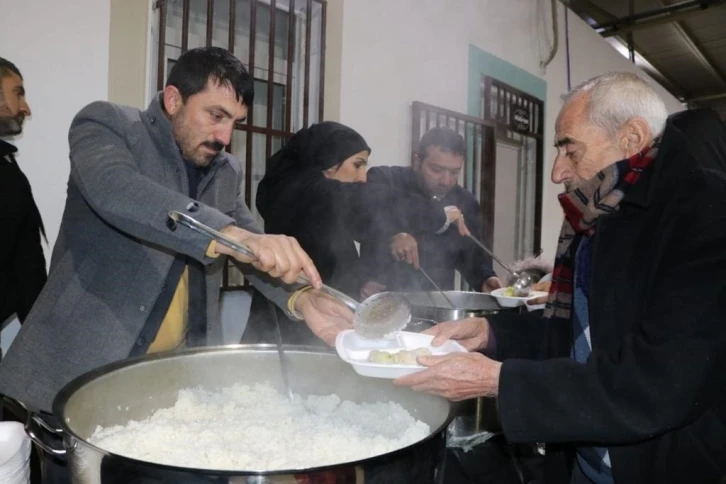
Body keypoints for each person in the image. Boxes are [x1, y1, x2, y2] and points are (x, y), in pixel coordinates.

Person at [395, 72, 726, 483]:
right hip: (580, 459)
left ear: (631, 138)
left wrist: (499, 381)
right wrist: (491, 334)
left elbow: (655, 386)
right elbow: (577, 333)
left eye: (570, 149)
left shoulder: (706, 216)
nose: (556, 172)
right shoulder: (599, 214)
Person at [0, 47, 353, 424]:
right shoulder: (108, 124)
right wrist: (228, 234)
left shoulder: (226, 169)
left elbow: (250, 245)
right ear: (173, 99)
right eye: (216, 115)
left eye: (236, 122)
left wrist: (301, 296)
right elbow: (115, 189)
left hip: (177, 387)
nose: (225, 136)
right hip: (77, 376)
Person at [248, 121, 468, 344]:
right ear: (329, 163)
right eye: (357, 165)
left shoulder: (319, 197)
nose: (363, 177)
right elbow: (373, 204)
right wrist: (440, 215)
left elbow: (354, 235)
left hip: (320, 318)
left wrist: (365, 277)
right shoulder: (306, 191)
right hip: (289, 327)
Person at [359, 127, 500, 296]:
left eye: (455, 172)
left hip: (436, 302)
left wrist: (485, 278)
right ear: (417, 160)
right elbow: (365, 216)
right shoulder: (385, 179)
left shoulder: (465, 201)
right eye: (436, 170)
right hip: (380, 299)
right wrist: (395, 234)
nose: (446, 181)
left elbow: (471, 256)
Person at [0, 57, 47, 329]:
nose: (25, 109)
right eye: (17, 93)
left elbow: (26, 267)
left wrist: (42, 339)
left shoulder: (8, 169)